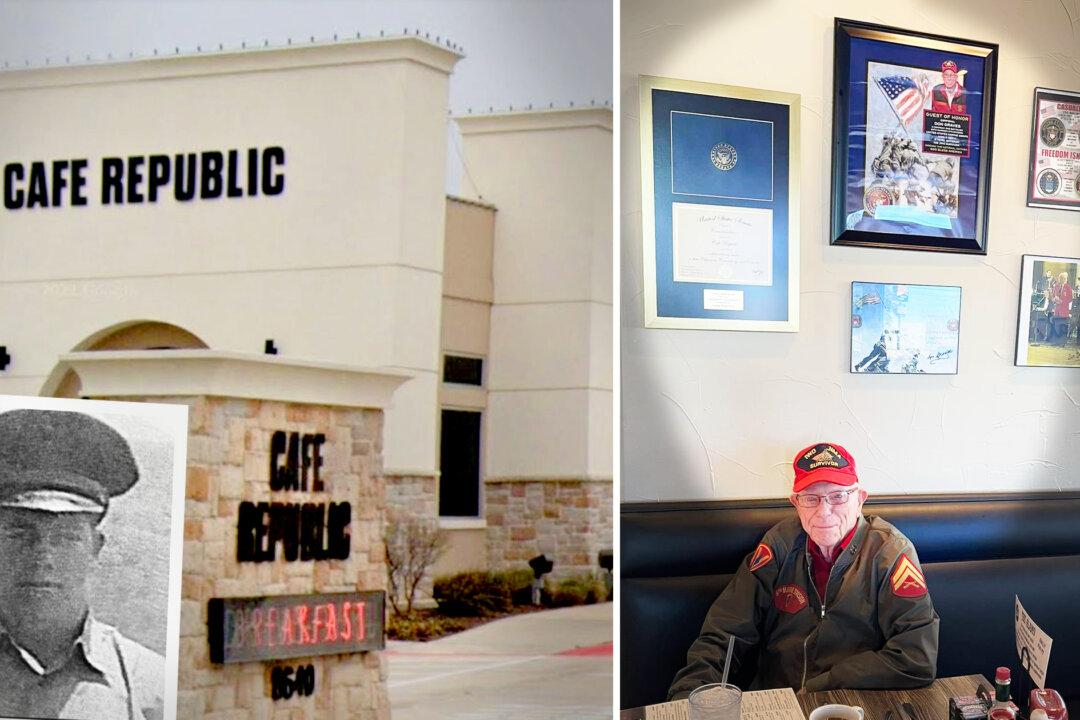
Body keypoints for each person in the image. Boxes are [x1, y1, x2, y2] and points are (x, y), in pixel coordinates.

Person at [668, 442, 939, 698]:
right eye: (811, 498)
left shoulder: (890, 553)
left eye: (838, 496)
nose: (823, 511)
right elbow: (725, 631)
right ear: (796, 503)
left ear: (860, 499)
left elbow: (916, 656)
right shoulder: (778, 544)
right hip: (778, 700)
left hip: (853, 700)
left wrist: (824, 685)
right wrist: (689, 696)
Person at [0, 409, 165, 720]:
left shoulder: (150, 687)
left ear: (95, 549)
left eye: (66, 537)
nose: (43, 556)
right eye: (21, 533)